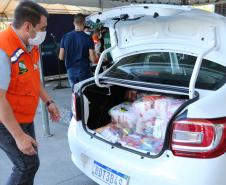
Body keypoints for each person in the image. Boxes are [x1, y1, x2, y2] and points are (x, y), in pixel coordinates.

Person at [0, 1, 60, 185]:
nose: (44, 32)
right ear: (27, 26)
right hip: (7, 122)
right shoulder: (3, 49)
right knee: (26, 166)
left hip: (25, 118)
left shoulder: (29, 45)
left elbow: (34, 79)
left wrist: (49, 102)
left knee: (29, 164)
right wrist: (18, 136)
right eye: (42, 28)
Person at [59, 13, 97, 89]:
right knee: (86, 94)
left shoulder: (65, 36)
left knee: (76, 96)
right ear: (84, 23)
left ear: (74, 23)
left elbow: (61, 57)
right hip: (84, 71)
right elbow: (93, 59)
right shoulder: (88, 38)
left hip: (71, 71)